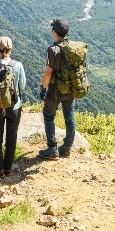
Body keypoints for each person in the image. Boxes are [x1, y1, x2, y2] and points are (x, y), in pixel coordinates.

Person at [0, 36, 27, 178]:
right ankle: (8, 169)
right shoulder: (17, 65)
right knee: (11, 137)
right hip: (14, 106)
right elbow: (22, 86)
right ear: (11, 49)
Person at [39, 18, 76, 160]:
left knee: (49, 116)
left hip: (55, 90)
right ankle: (66, 148)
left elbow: (48, 72)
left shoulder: (53, 50)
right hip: (70, 89)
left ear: (54, 32)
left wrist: (43, 88)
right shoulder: (72, 48)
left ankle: (52, 149)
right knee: (69, 116)